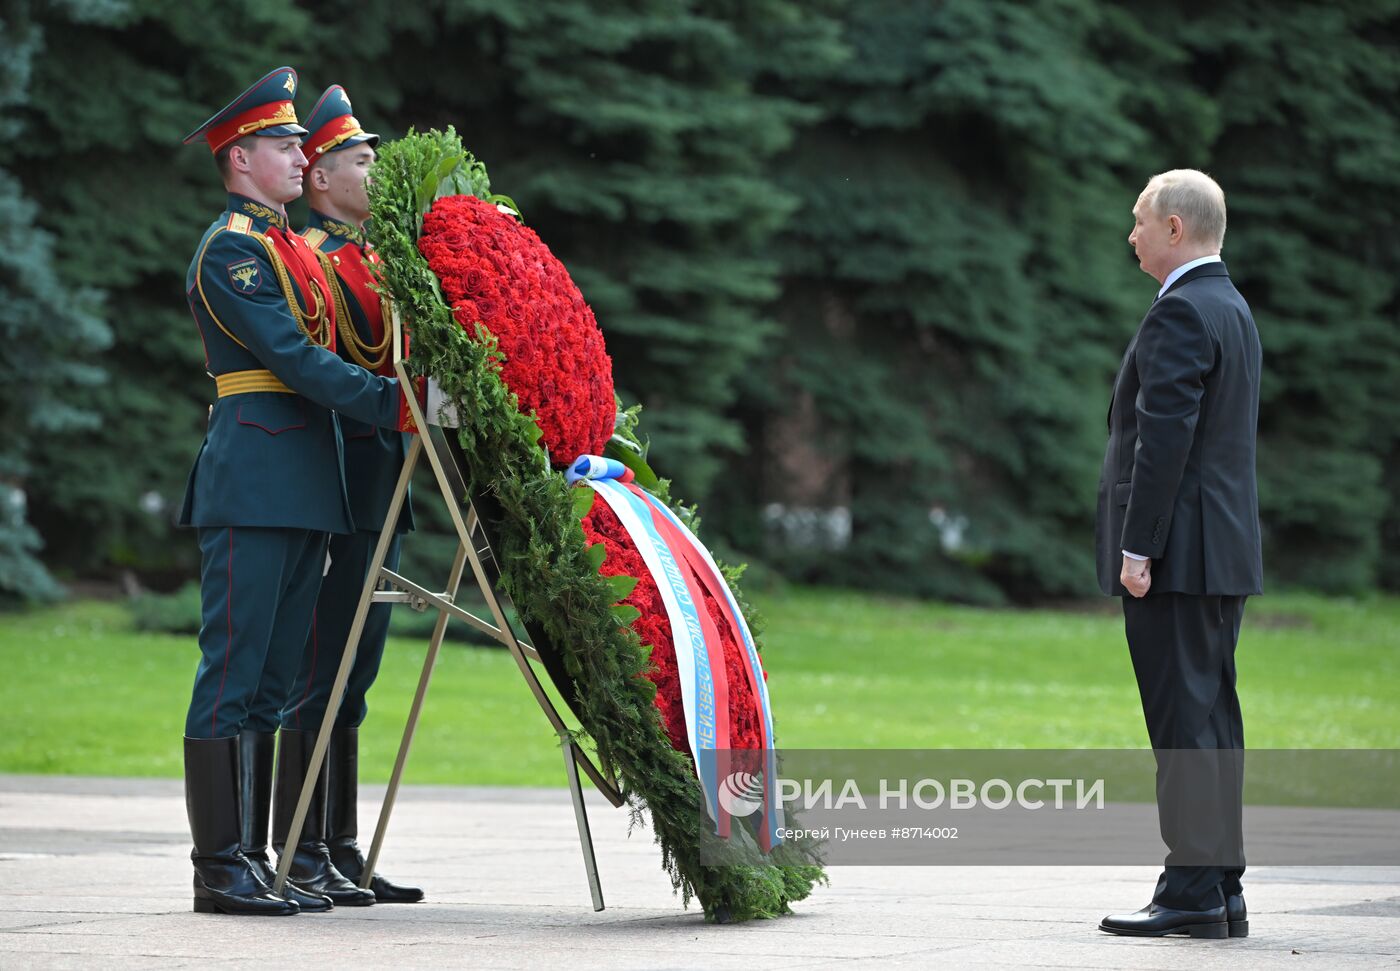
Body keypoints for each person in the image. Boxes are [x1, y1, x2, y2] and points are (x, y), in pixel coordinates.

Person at [179, 67, 424, 916]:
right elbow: (294, 358)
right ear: (240, 157)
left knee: (278, 678)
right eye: (283, 145)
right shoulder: (232, 248)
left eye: (297, 143)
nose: (297, 156)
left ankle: (256, 856)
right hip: (255, 478)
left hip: (305, 484)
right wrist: (401, 405)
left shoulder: (285, 247)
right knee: (234, 675)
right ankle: (220, 867)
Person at [1095, 169, 1262, 939]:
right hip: (1218, 549)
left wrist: (1138, 546)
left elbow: (1165, 443)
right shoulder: (1230, 307)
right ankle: (1218, 885)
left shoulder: (1183, 312)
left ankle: (1192, 887)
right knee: (1211, 717)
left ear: (1173, 228)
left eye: (1138, 221)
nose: (1130, 234)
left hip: (1177, 553)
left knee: (1183, 723)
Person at [271, 84, 423, 903]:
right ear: (322, 179)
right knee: (323, 668)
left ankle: (335, 843)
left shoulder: (377, 257)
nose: (376, 172)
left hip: (387, 476)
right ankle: (299, 847)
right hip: (351, 473)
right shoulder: (322, 262)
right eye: (361, 161)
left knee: (355, 672)